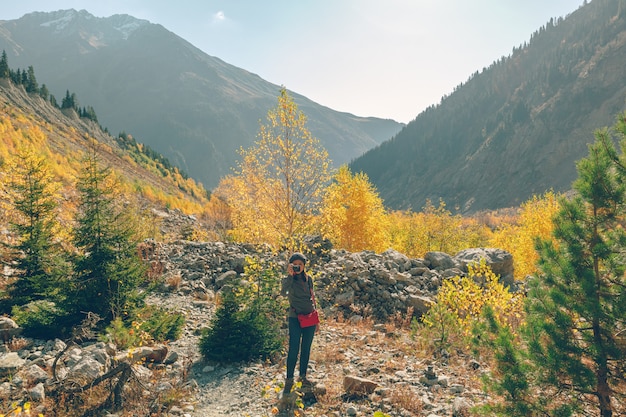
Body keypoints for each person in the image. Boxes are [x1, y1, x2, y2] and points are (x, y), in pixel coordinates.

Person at [280, 252, 317, 394]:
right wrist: (290, 276)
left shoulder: (309, 279)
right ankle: (289, 380)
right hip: (295, 318)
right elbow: (283, 293)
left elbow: (312, 297)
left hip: (310, 317)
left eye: (300, 264)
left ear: (304, 265)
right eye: (295, 264)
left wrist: (316, 319)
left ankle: (302, 377)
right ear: (290, 265)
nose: (298, 267)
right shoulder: (288, 279)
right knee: (293, 348)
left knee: (306, 348)